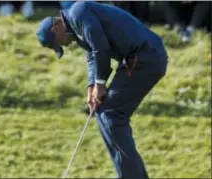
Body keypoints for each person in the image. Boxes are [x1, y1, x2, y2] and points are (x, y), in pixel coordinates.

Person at [36, 2, 168, 178]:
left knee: (110, 115)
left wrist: (100, 84)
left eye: (58, 42)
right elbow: (91, 54)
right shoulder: (76, 27)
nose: (64, 45)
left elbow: (100, 48)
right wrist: (91, 86)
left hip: (145, 56)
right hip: (138, 58)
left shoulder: (78, 13)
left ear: (56, 27)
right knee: (104, 113)